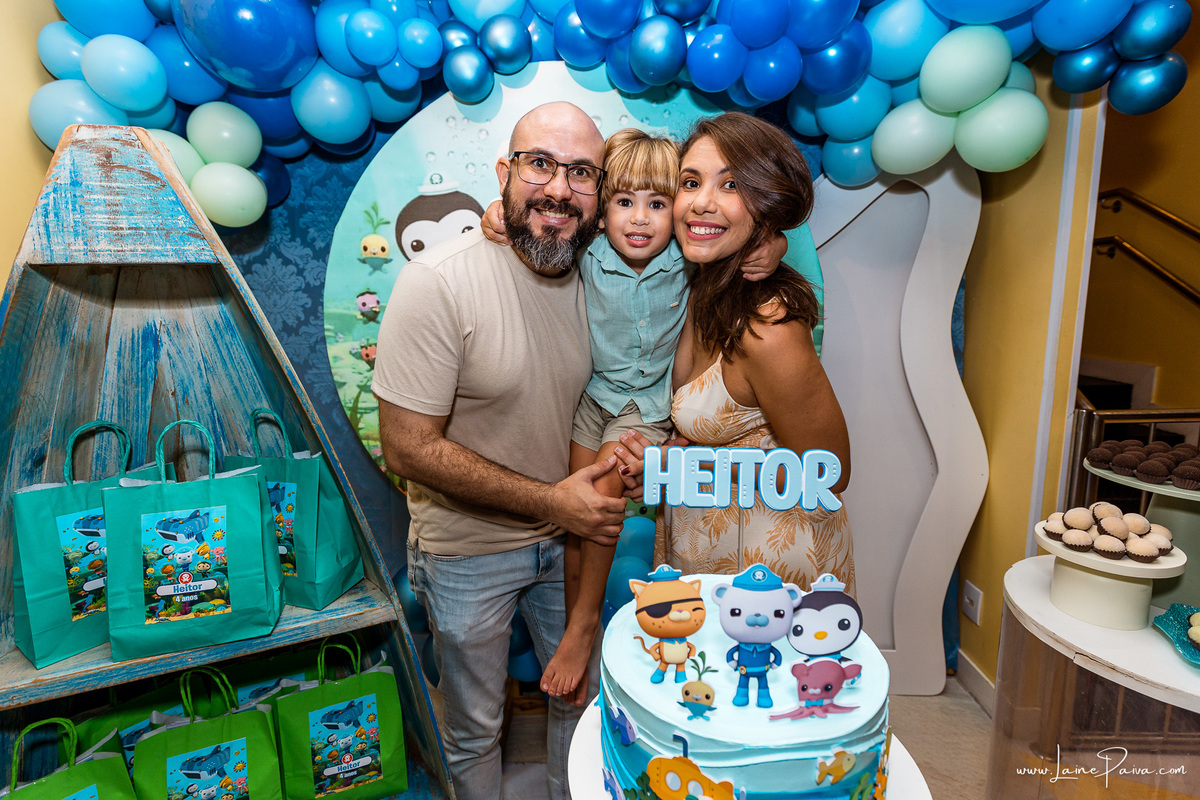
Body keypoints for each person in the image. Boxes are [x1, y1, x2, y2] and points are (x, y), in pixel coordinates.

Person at [372, 101, 650, 800]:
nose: (558, 188)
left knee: (582, 706)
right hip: (465, 550)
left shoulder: (609, 277)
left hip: (572, 543)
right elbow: (406, 448)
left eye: (581, 172)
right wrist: (550, 500)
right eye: (539, 164)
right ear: (505, 173)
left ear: (599, 194)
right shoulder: (438, 281)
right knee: (474, 730)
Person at [479, 129, 785, 705]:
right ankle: (577, 619)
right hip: (590, 401)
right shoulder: (588, 248)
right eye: (624, 202)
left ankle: (581, 626)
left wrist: (775, 243)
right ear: (603, 210)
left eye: (658, 202)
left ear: (677, 210)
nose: (640, 219)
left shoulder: (687, 260)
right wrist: (497, 213)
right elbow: (538, 220)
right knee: (575, 512)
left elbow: (743, 241)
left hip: (641, 415)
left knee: (599, 508)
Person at [655, 111, 856, 596]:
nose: (701, 203)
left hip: (769, 578)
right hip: (705, 550)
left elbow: (833, 469)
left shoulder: (768, 328)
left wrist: (701, 461)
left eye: (730, 186)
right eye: (691, 181)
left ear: (765, 207)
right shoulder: (695, 287)